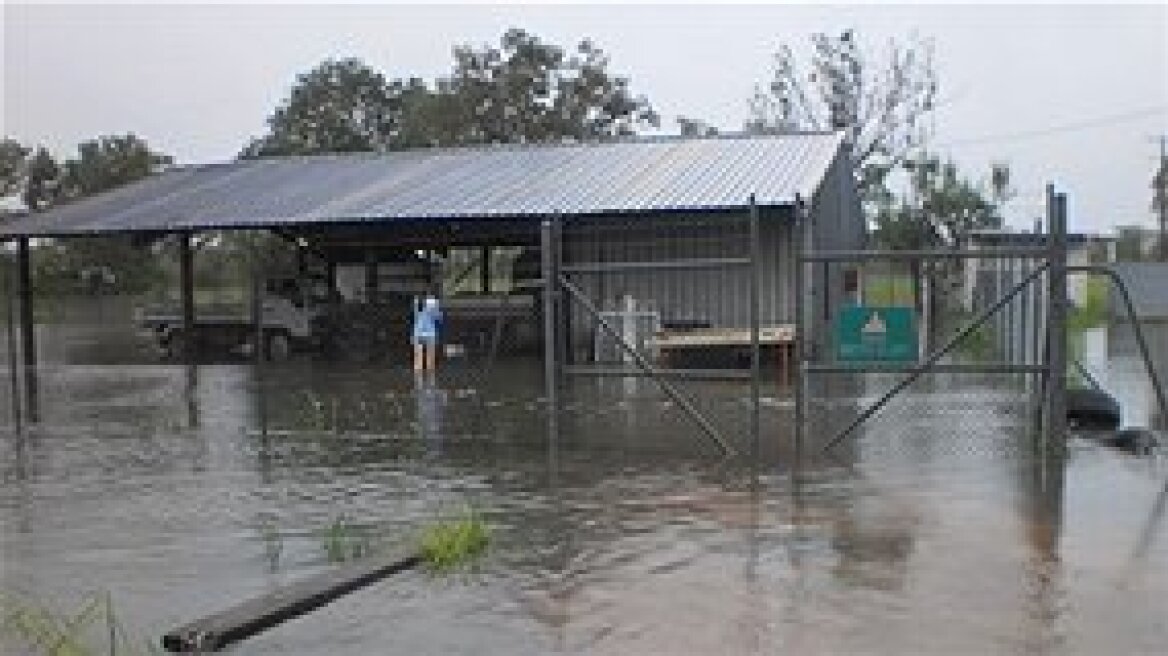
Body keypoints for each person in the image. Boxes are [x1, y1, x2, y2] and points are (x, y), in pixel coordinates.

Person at [412, 294, 442, 371]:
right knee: (427, 354)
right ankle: (426, 367)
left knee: (422, 354)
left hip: (421, 334)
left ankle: (422, 367)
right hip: (426, 335)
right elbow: (439, 318)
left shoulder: (423, 312)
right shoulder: (433, 311)